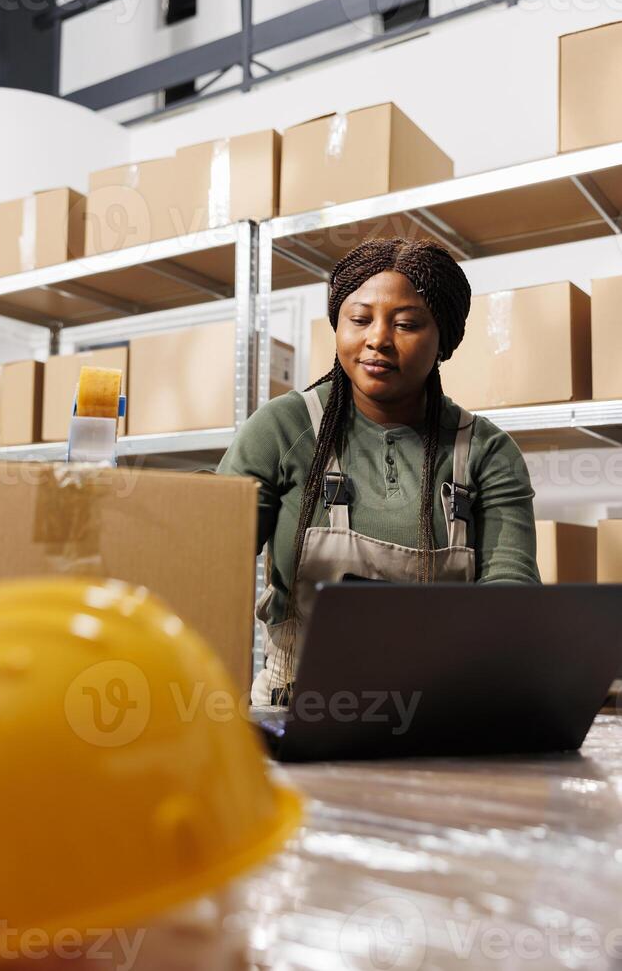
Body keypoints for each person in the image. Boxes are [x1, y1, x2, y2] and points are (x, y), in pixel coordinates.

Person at [217, 237, 541, 705]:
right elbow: (213, 560)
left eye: (406, 324)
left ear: (442, 339)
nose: (378, 339)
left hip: (441, 711)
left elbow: (512, 595)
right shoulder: (283, 429)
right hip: (297, 708)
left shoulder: (486, 452)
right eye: (360, 319)